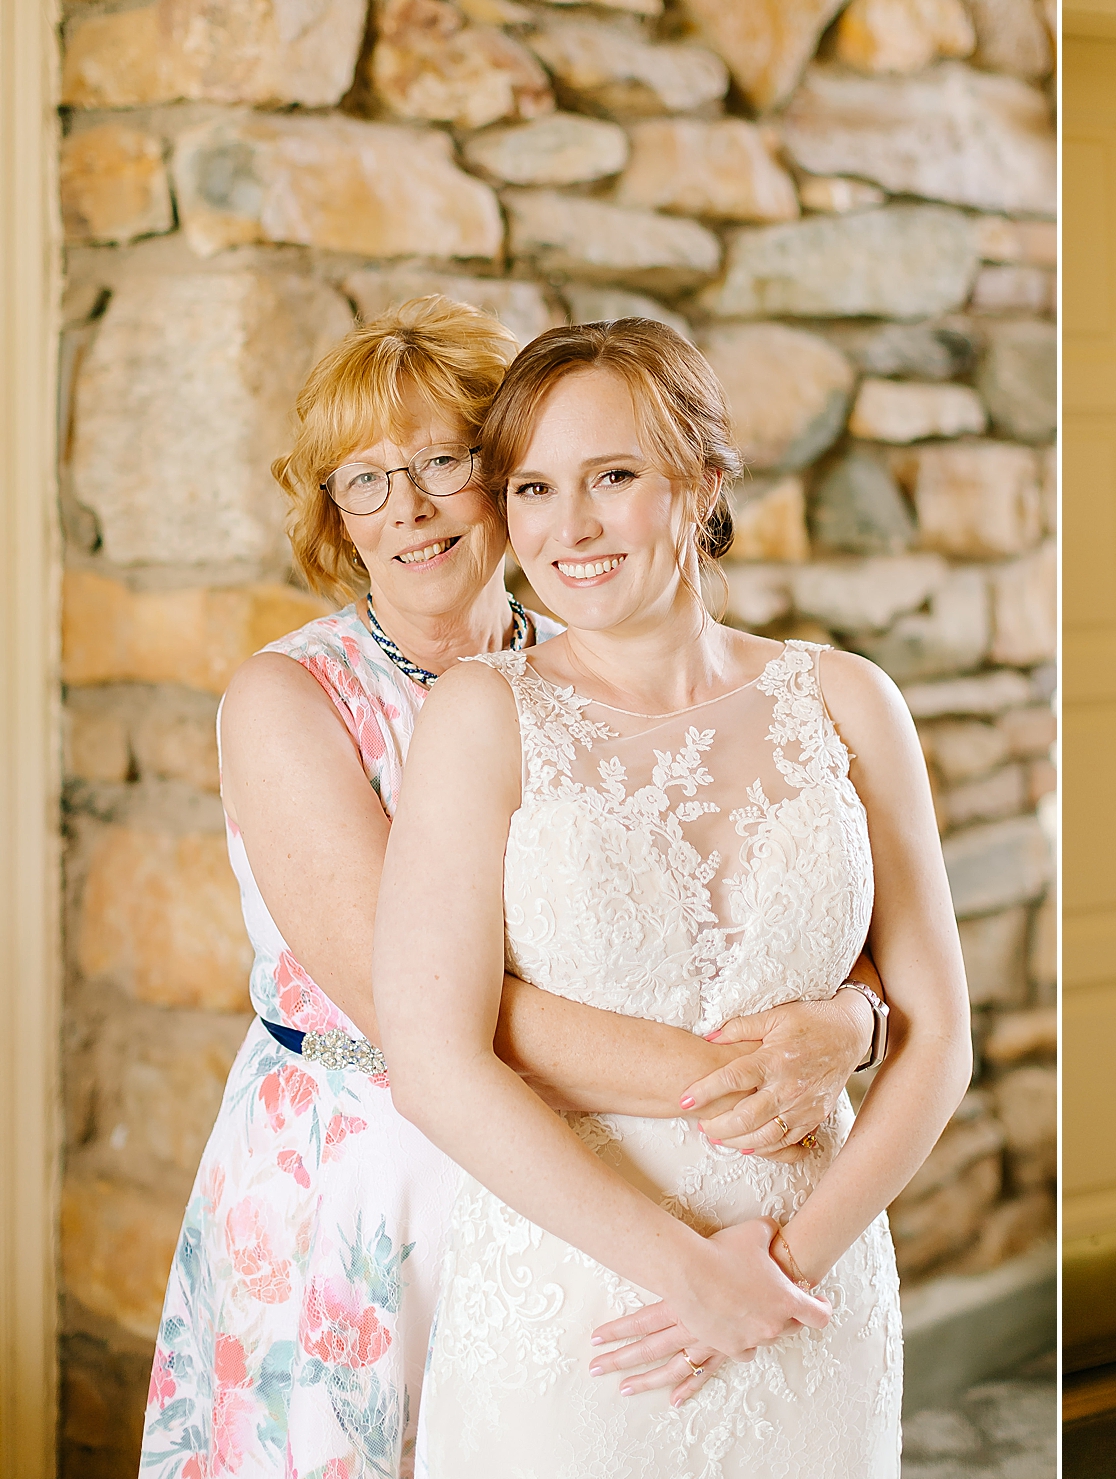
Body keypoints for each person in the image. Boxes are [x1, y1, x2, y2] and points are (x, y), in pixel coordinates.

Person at [140, 298, 882, 1479]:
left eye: (442, 462)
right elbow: (419, 1015)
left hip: (598, 1185)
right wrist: (759, 1078)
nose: (409, 509)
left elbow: (748, 915)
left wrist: (853, 1017)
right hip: (370, 1174)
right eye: (363, 479)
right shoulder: (290, 704)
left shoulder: (600, 658)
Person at [372, 319, 973, 1473]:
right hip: (583, 1305)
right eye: (533, 488)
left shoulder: (846, 700)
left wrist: (784, 1268)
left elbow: (937, 1034)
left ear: (698, 484)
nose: (568, 528)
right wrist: (688, 1273)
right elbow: (436, 1063)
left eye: (612, 478)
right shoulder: (482, 717)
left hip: (814, 1289)